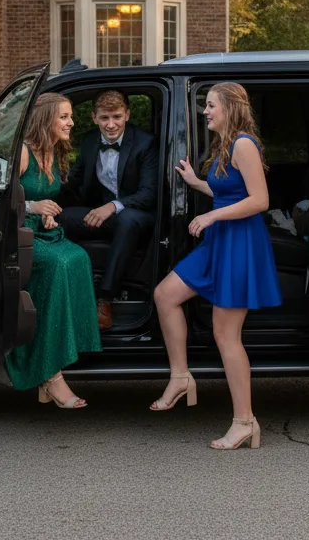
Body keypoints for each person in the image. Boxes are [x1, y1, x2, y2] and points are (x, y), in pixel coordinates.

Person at [150, 82, 281, 450]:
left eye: (210, 105)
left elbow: (259, 200)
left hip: (239, 244)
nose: (205, 111)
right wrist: (196, 183)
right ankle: (180, 377)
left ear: (230, 108)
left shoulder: (243, 144)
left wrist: (211, 218)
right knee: (166, 295)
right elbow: (229, 191)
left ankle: (244, 421)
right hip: (221, 241)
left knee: (226, 335)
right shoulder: (226, 145)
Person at [5, 92, 102, 409]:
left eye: (70, 116)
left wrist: (45, 213)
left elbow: (44, 200)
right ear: (46, 118)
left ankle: (58, 352)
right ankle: (51, 374)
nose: (71, 122)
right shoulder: (22, 153)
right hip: (18, 235)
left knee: (79, 258)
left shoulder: (54, 151)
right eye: (65, 116)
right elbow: (1, 199)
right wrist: (33, 206)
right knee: (59, 265)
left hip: (42, 231)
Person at [57, 90, 157, 330]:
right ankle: (67, 291)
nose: (111, 125)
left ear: (127, 115)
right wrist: (41, 195)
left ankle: (105, 298)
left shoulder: (145, 143)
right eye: (104, 118)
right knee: (58, 218)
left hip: (137, 214)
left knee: (128, 220)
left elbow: (149, 193)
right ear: (94, 118)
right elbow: (74, 179)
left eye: (117, 117)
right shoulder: (91, 141)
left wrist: (112, 206)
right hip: (102, 212)